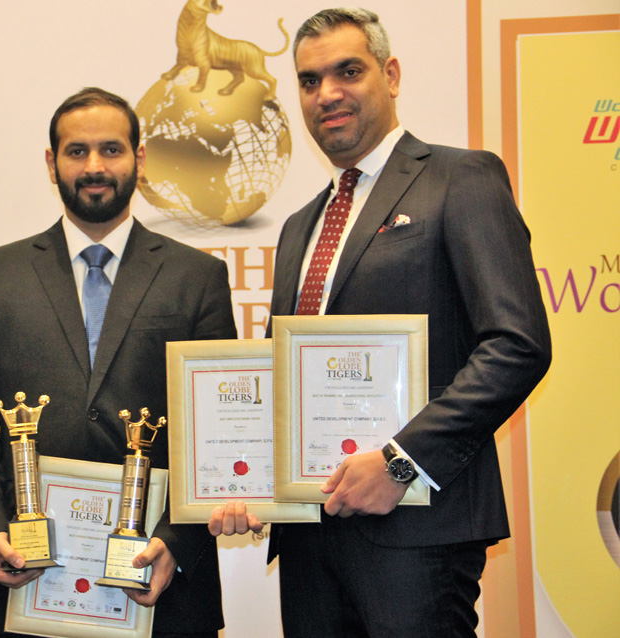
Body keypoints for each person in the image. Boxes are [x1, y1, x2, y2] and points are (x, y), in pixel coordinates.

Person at [209, 8, 551, 637]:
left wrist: (399, 463)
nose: (328, 94)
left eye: (348, 71)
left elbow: (517, 344)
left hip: (417, 531)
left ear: (390, 75)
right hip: (309, 538)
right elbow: (284, 379)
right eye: (310, 81)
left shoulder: (460, 178)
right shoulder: (297, 228)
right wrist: (247, 480)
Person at [0, 87, 235, 638]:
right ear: (51, 164)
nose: (95, 166)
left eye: (111, 149)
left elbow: (215, 433)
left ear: (140, 159)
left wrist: (177, 542)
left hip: (161, 585)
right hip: (27, 577)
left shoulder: (197, 278)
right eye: (76, 152)